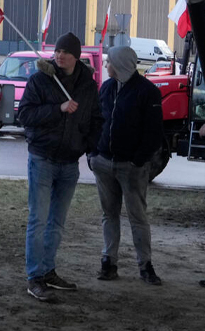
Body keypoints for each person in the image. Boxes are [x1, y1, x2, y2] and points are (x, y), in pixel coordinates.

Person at [18, 32, 103, 302]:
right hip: (42, 158)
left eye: (65, 52)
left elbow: (96, 119)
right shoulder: (40, 80)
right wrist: (59, 108)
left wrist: (89, 148)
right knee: (38, 220)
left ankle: (48, 271)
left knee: (57, 222)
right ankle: (34, 278)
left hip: (70, 163)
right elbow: (25, 115)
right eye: (57, 51)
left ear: (77, 56)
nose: (59, 55)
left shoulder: (88, 86)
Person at [91, 46, 164, 285]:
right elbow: (97, 122)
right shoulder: (107, 87)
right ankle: (108, 263)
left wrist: (137, 160)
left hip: (132, 168)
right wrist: (93, 154)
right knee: (108, 215)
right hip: (103, 163)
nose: (105, 65)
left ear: (120, 64)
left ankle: (145, 266)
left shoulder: (148, 92)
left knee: (137, 217)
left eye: (109, 61)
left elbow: (153, 133)